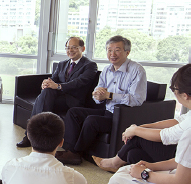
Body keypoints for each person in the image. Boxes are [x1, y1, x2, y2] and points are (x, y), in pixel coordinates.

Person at [56, 36, 147, 165]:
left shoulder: (136, 70)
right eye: (109, 50)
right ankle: (69, 150)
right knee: (73, 112)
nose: (112, 54)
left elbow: (137, 100)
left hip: (122, 117)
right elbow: (98, 94)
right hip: (107, 111)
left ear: (127, 52)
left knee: (91, 120)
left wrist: (109, 96)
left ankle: (75, 153)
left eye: (117, 50)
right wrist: (97, 95)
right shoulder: (107, 70)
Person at [93, 66, 191, 172]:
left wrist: (136, 130)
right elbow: (177, 121)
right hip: (175, 150)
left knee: (138, 137)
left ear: (185, 95)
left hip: (181, 156)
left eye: (175, 90)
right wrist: (142, 127)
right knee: (133, 154)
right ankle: (141, 173)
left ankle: (114, 163)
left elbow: (166, 135)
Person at [17, 37, 98, 148]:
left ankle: (30, 136)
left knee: (43, 98)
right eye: (68, 48)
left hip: (73, 101)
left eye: (74, 47)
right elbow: (53, 79)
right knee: (46, 93)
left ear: (83, 48)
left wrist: (58, 86)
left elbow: (79, 83)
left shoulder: (90, 65)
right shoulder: (62, 64)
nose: (70, 50)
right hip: (58, 98)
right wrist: (46, 83)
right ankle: (33, 136)